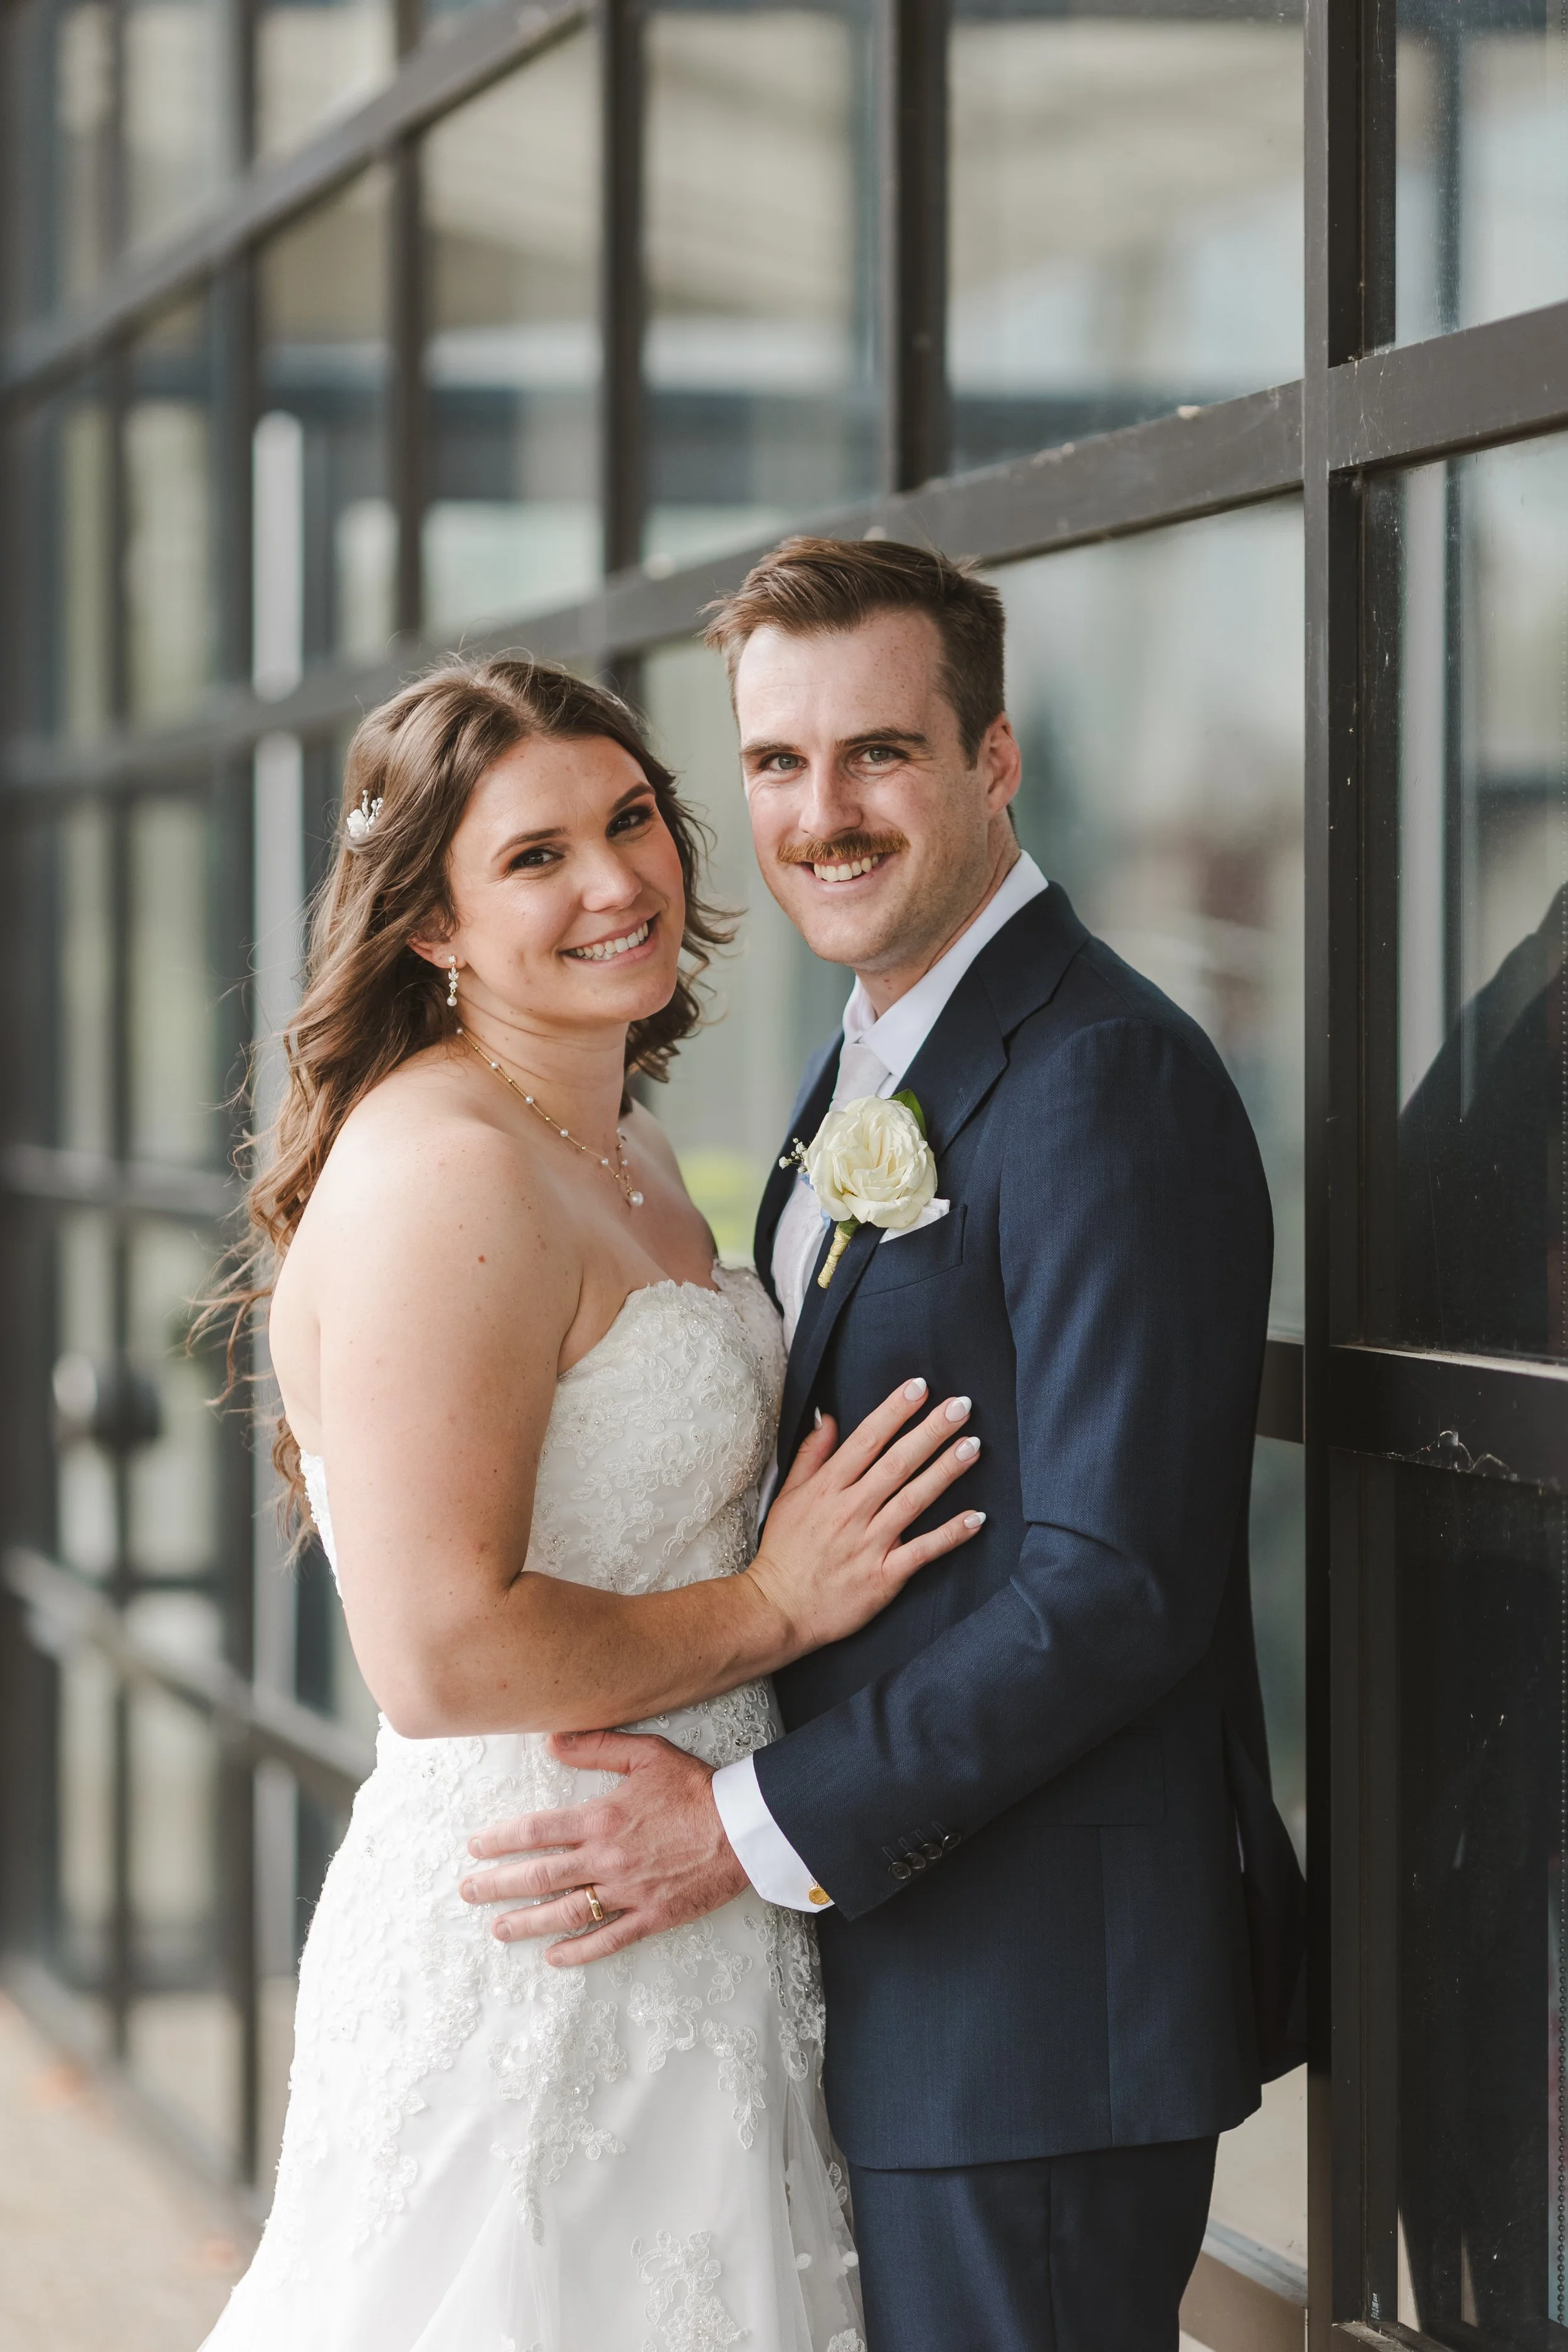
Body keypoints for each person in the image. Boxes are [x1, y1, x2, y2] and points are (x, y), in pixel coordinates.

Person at [463, 538, 1307, 2352]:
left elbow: (1112, 1581)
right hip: (906, 1985)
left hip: (1024, 2019)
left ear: (994, 761)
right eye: (775, 763)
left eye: (879, 755)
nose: (820, 814)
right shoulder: (869, 1058)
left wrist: (743, 1828)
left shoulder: (1101, 1078)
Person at [198, 655, 987, 2352]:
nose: (617, 880)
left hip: (692, 1927)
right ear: (431, 926)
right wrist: (777, 1606)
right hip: (534, 1934)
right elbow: (439, 1651)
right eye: (535, 856)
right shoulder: (446, 1171)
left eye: (630, 819)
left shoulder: (612, 1139)